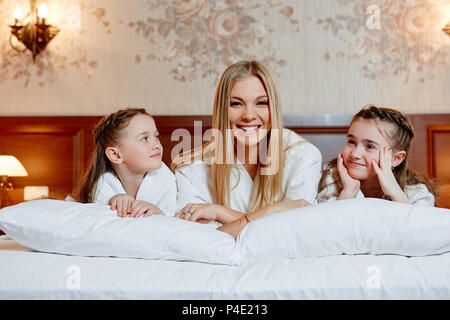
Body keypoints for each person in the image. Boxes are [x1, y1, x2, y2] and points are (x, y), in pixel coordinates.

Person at [172, 60, 322, 237]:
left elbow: (296, 231)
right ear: (222, 111)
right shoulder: (191, 169)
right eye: (236, 104)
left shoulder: (303, 157)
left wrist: (220, 213)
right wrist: (272, 214)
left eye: (261, 103)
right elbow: (197, 240)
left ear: (272, 107)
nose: (249, 115)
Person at [317, 105, 437, 205]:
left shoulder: (416, 193)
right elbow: (331, 228)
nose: (355, 153)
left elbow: (413, 230)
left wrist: (395, 192)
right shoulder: (331, 179)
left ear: (395, 158)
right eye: (351, 142)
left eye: (370, 146)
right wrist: (349, 191)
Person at [72, 107, 177, 217]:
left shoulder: (166, 179)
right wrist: (112, 201)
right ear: (116, 155)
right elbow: (98, 217)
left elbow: (172, 217)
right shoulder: (103, 183)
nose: (156, 145)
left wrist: (158, 212)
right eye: (145, 138)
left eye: (156, 136)